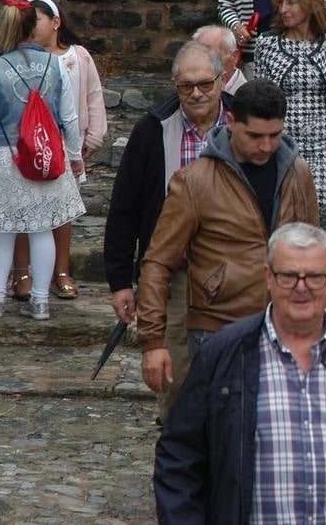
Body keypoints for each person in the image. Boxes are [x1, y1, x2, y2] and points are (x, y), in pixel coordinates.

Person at [154, 223, 326, 522]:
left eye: (314, 276)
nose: (301, 287)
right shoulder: (222, 356)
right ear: (268, 277)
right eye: (288, 276)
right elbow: (178, 459)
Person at [137, 79, 321, 396]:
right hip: (218, 327)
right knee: (224, 434)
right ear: (232, 122)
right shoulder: (194, 181)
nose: (265, 146)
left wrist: (321, 322)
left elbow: (317, 253)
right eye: (255, 136)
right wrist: (153, 341)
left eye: (274, 136)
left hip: (288, 324)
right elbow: (157, 261)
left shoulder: (297, 173)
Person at [103, 41, 231, 423]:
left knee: (232, 376)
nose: (196, 93)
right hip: (174, 275)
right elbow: (125, 206)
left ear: (222, 80)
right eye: (186, 86)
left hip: (234, 274)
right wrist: (120, 281)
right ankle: (179, 458)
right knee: (175, 375)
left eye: (205, 84)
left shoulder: (244, 124)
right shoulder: (152, 129)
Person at [0, 0, 86, 321]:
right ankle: (41, 300)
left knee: (2, 230)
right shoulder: (56, 65)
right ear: (35, 27)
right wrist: (74, 155)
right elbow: (69, 117)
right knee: (42, 229)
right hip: (45, 153)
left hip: (4, 155)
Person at [8, 0, 106, 302]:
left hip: (63, 146)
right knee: (23, 210)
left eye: (37, 19)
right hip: (27, 146)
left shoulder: (78, 57)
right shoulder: (20, 58)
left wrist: (92, 137)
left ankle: (60, 271)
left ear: (55, 22)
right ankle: (21, 271)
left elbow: (92, 94)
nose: (33, 27)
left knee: (62, 214)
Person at [254, 0, 326, 218]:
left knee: (321, 210)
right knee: (283, 209)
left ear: (310, 4)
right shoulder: (266, 44)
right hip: (281, 140)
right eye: (281, 3)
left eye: (291, 2)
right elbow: (258, 98)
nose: (283, 9)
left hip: (322, 141)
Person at [191, 24, 246, 94]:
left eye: (211, 56)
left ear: (234, 57)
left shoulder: (249, 99)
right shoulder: (186, 95)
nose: (202, 63)